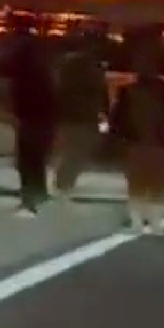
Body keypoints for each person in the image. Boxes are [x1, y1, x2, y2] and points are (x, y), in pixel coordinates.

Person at [0, 15, 57, 218]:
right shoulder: (40, 50)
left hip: (32, 111)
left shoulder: (24, 50)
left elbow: (5, 67)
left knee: (28, 157)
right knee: (37, 156)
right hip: (44, 110)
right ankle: (39, 193)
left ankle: (29, 198)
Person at [110, 31, 164, 234]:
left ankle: (139, 222)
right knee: (155, 183)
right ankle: (153, 222)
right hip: (154, 142)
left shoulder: (129, 92)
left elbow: (117, 119)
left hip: (139, 142)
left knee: (138, 182)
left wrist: (118, 138)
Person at [51, 30, 110, 203]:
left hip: (70, 114)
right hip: (83, 115)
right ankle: (64, 183)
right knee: (79, 151)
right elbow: (101, 91)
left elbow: (57, 87)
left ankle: (63, 182)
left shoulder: (67, 63)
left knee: (72, 150)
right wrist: (105, 112)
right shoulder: (93, 66)